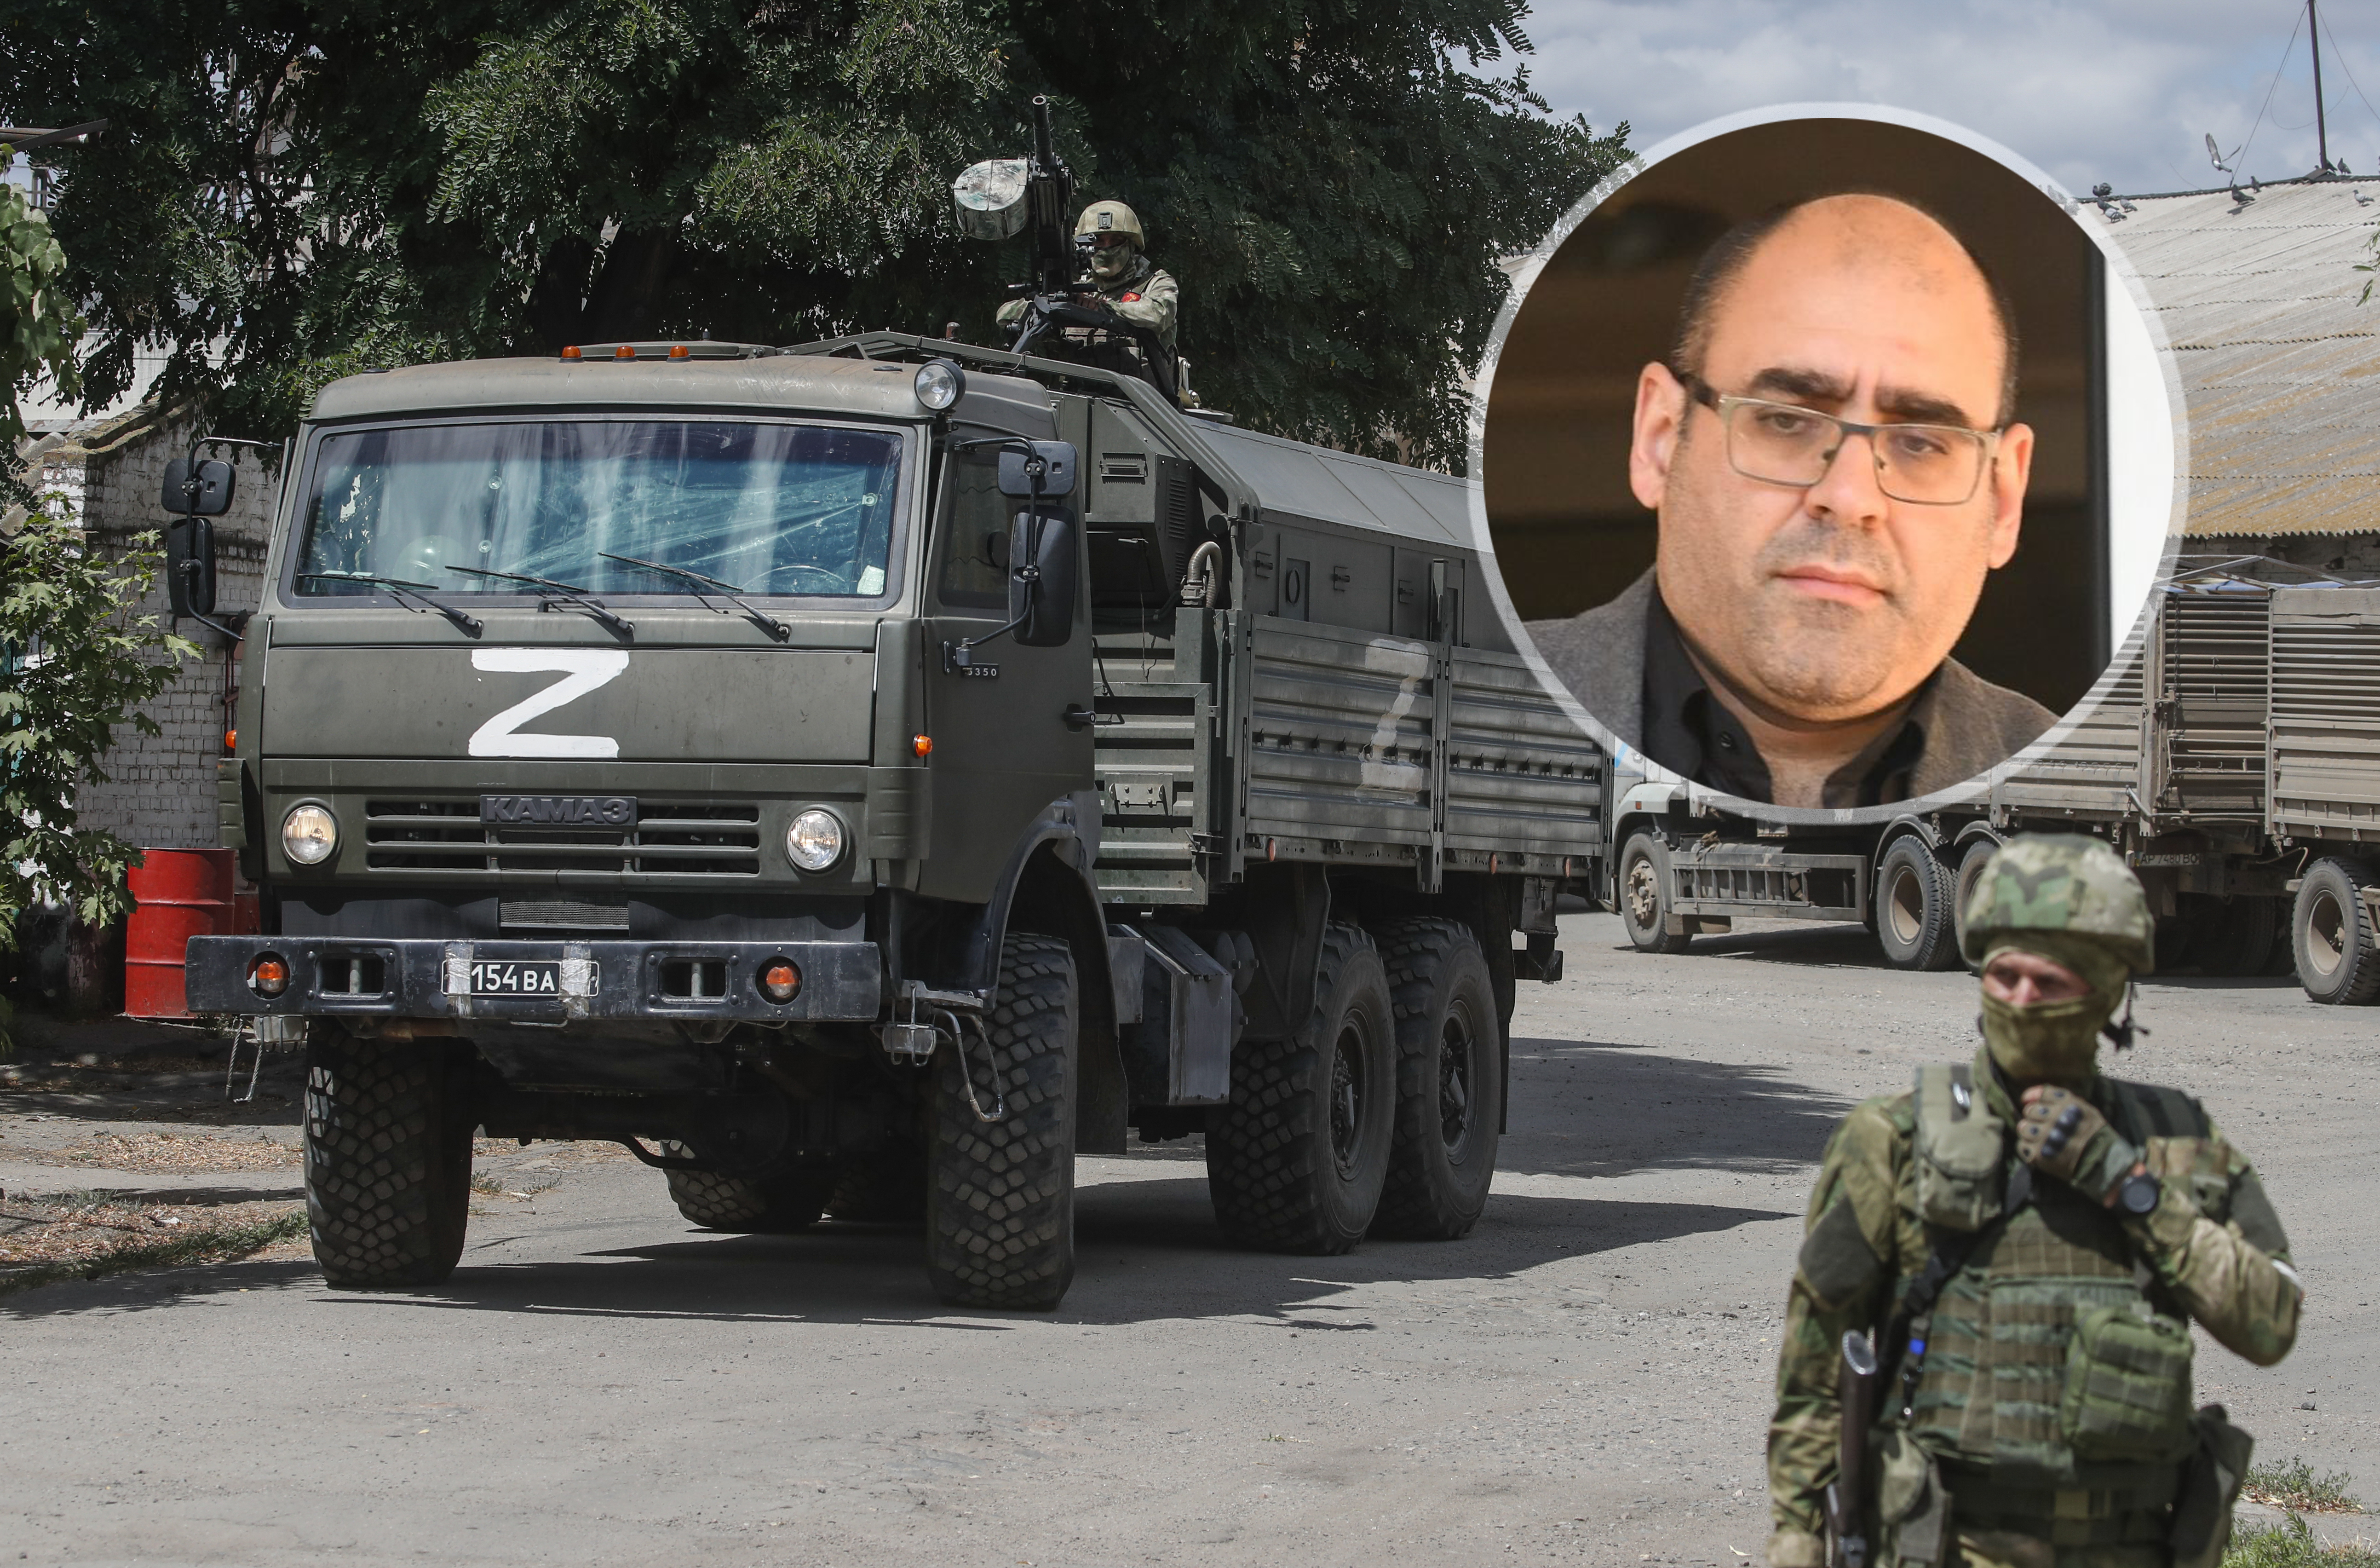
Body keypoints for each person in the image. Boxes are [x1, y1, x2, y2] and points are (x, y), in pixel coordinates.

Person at [1766, 834, 2300, 1568]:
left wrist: (2124, 1184)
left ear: (2110, 991)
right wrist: (1796, 1531)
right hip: (1948, 1546)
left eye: (2048, 983)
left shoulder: (2173, 1141)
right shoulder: (1894, 1138)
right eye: (2002, 976)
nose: (2019, 1001)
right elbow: (1817, 1364)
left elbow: (2269, 1324)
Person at [1524, 193, 2057, 809]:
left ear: (2003, 498)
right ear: (1660, 442)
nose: (1850, 497)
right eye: (1783, 421)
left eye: (1919, 442)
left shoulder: (2093, 800)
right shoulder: (1464, 714)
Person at [997, 199, 1179, 385]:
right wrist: (1050, 306)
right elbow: (1004, 315)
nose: (1106, 248)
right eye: (1098, 241)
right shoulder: (1074, 289)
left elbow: (1158, 314)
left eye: (1116, 241)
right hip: (1074, 397)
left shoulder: (1157, 283)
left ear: (1132, 245)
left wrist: (1102, 310)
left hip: (1143, 404)